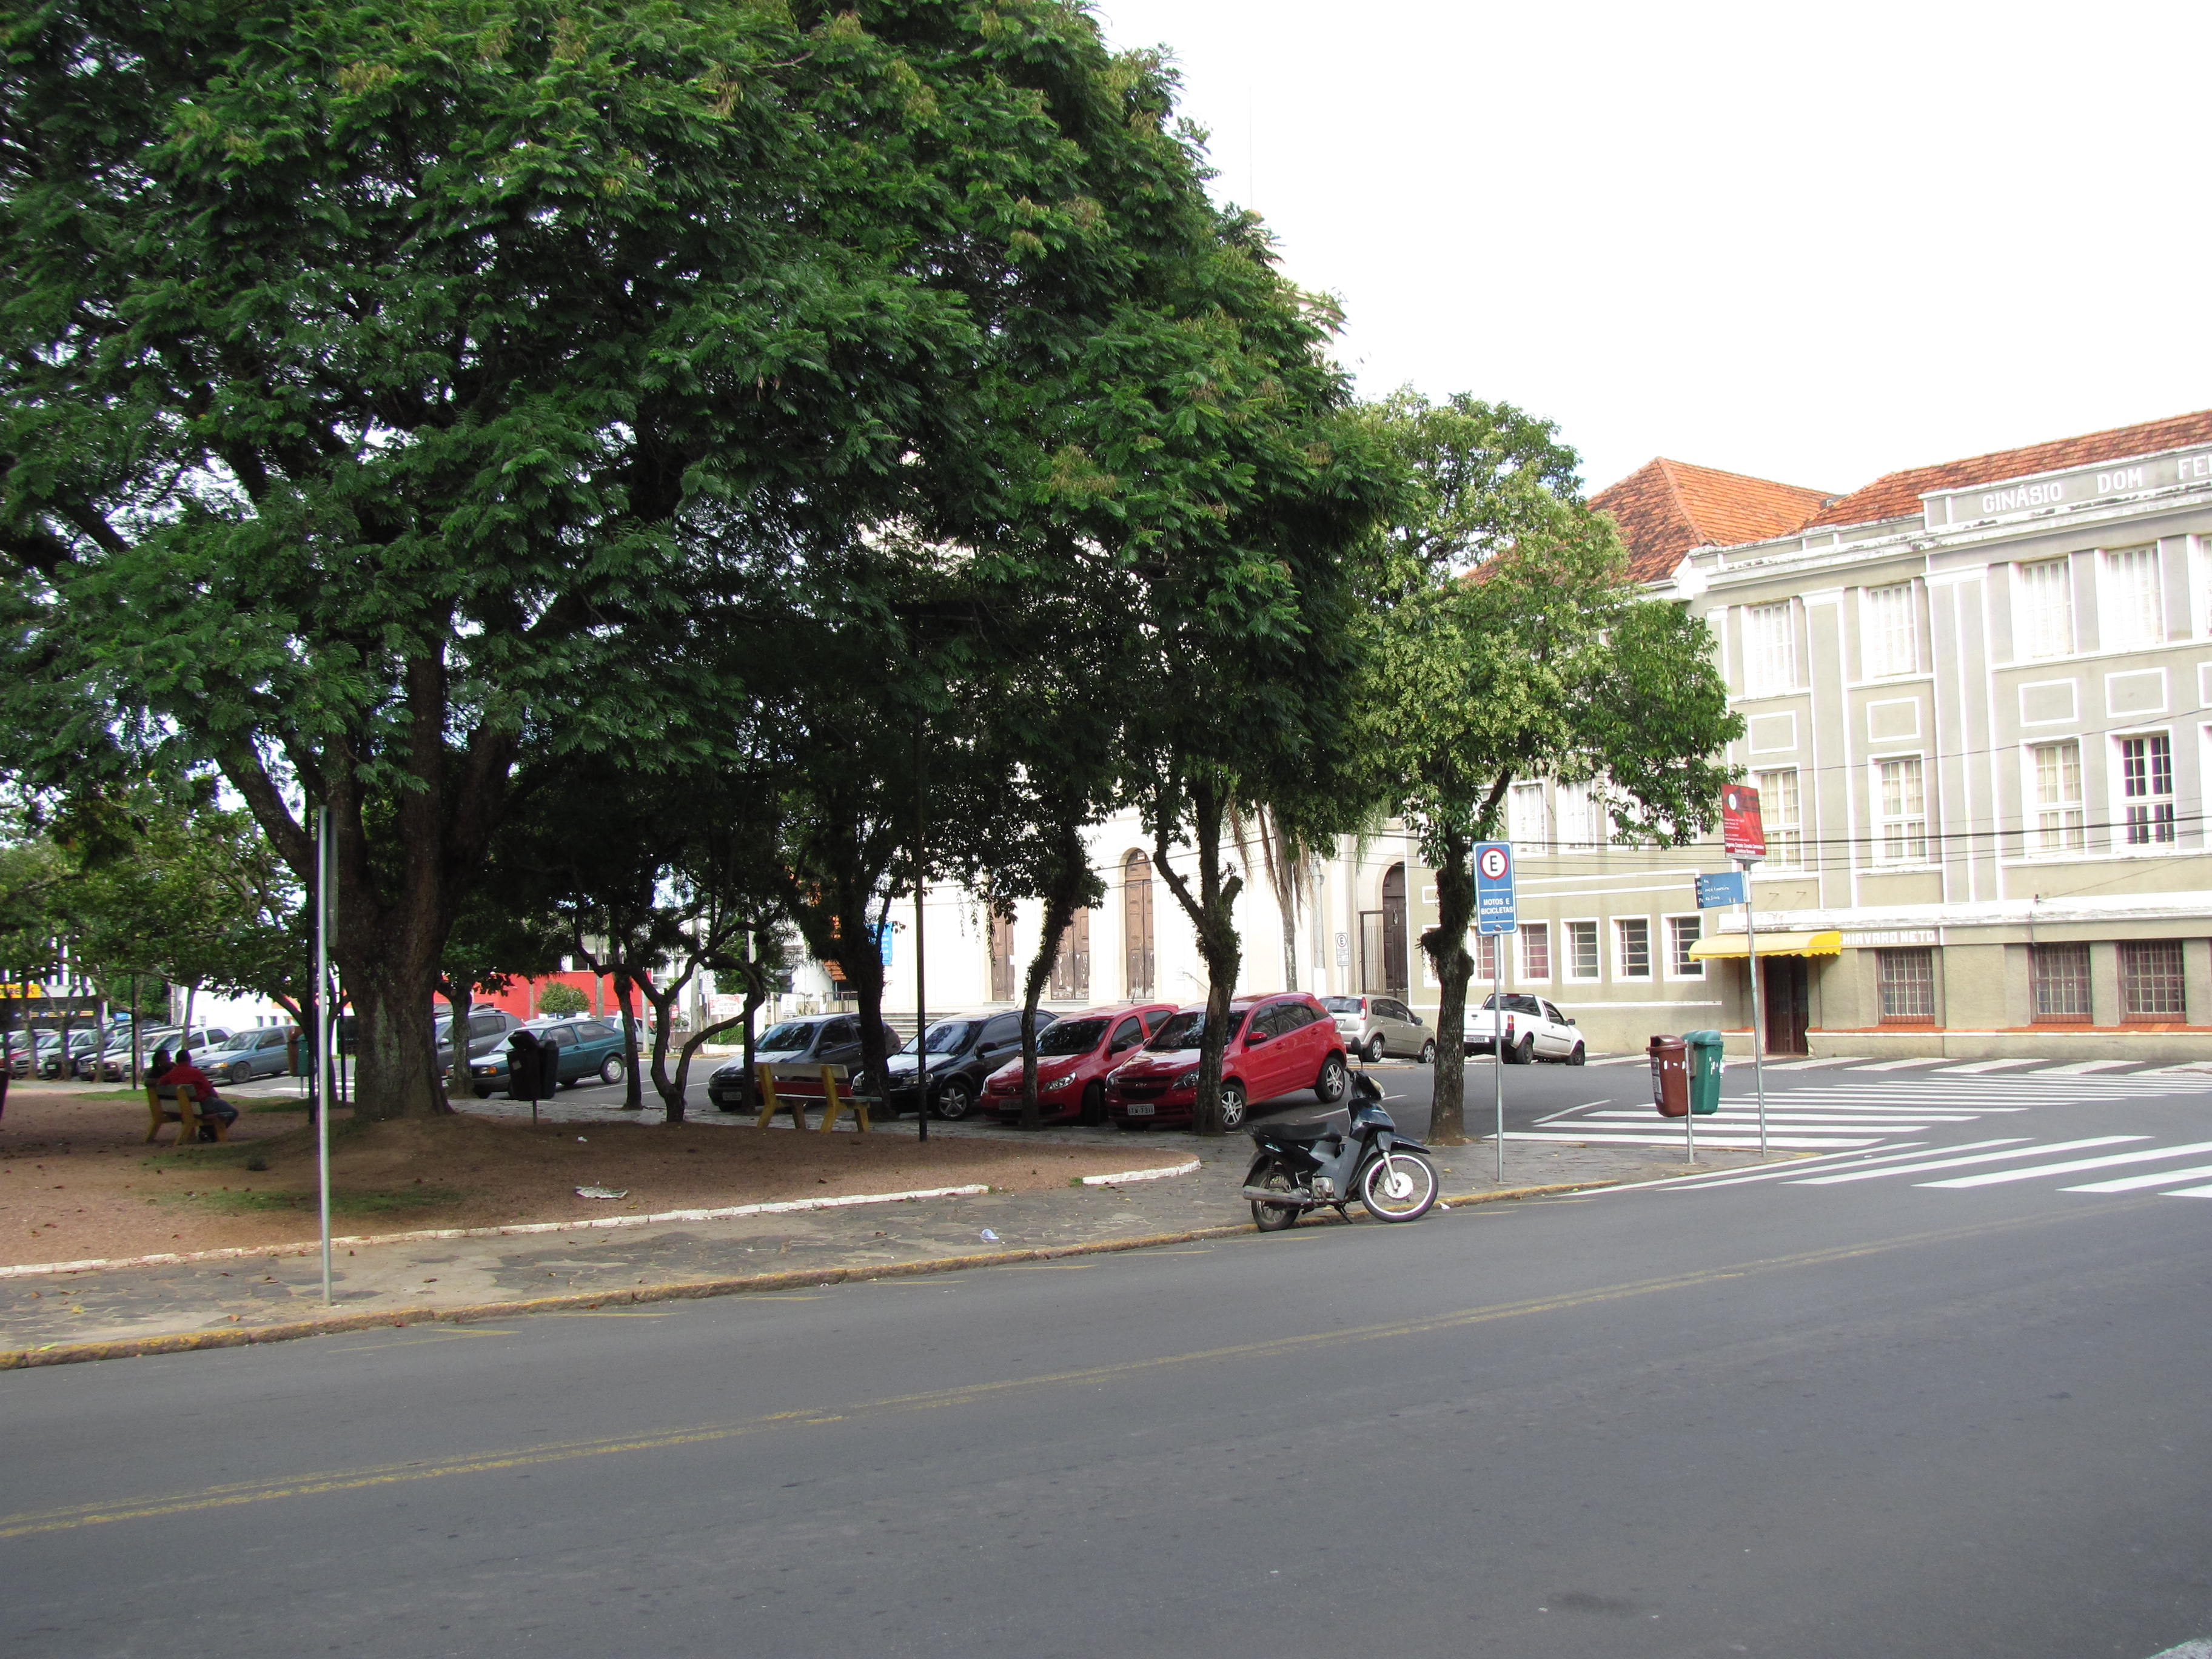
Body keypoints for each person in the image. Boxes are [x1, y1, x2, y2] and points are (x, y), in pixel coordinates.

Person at [160, 1046, 238, 1141]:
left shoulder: (171, 1074)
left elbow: (160, 1083)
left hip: (183, 1107)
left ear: (177, 1061)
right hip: (201, 1105)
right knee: (232, 1111)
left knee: (210, 1110)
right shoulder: (195, 1072)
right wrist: (217, 1098)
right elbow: (209, 1090)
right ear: (189, 1059)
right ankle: (212, 1133)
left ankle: (208, 1132)